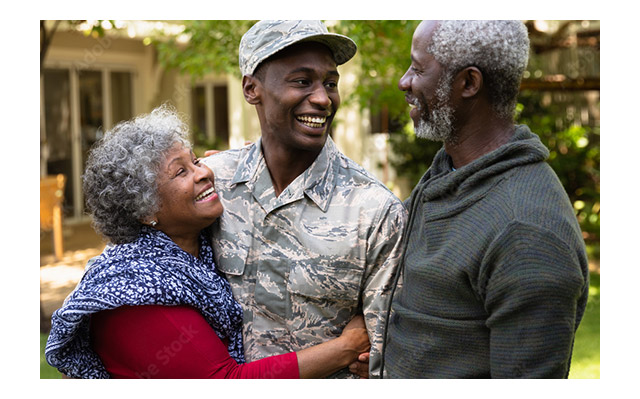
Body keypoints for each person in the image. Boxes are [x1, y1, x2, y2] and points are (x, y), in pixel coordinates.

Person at [44, 105, 370, 379]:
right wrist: (346, 348)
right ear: (145, 211)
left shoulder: (196, 242)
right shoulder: (135, 287)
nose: (203, 173)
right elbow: (224, 380)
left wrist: (248, 164)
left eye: (196, 161)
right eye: (180, 172)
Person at [380, 20, 590, 378]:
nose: (404, 81)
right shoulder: (450, 172)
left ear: (469, 83)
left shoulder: (526, 233)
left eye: (417, 68)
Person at [200, 20, 407, 379]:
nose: (323, 99)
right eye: (301, 81)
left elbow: (382, 360)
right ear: (252, 89)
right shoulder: (210, 184)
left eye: (330, 83)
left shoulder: (374, 211)